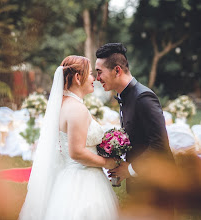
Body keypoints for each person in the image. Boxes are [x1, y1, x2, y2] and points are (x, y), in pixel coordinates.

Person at [19, 55, 118, 220]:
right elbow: (77, 152)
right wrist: (107, 163)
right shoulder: (76, 109)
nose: (95, 78)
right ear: (78, 78)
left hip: (68, 177)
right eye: (91, 74)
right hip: (84, 180)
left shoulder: (64, 104)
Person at [95, 43, 175, 193]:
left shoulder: (143, 97)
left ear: (117, 70)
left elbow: (159, 144)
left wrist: (130, 169)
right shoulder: (124, 96)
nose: (97, 78)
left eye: (100, 72)